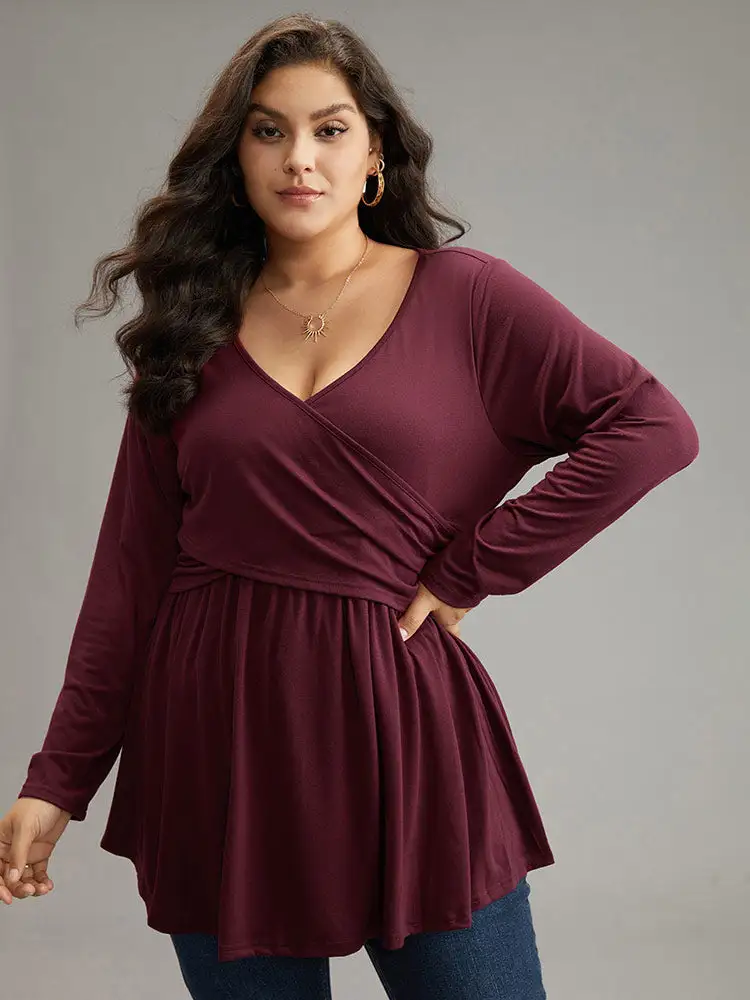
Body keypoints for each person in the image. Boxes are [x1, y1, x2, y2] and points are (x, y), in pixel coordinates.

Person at [0, 13, 699, 999]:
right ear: (236, 159)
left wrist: (476, 567)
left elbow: (653, 426)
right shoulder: (191, 326)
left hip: (401, 735)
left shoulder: (469, 298)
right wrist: (57, 779)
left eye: (330, 129)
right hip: (217, 741)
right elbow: (130, 574)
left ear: (374, 155)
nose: (300, 157)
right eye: (268, 131)